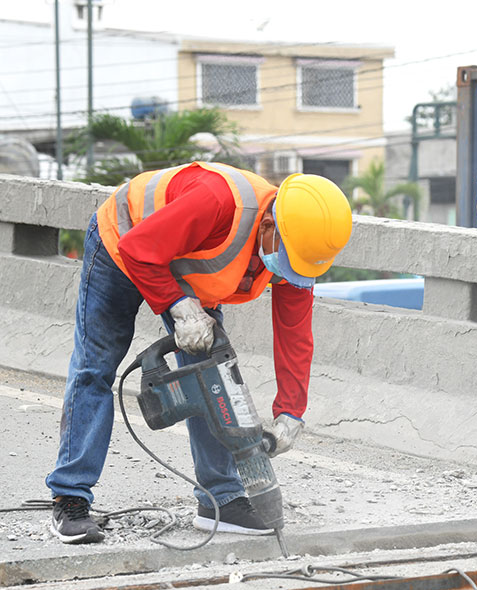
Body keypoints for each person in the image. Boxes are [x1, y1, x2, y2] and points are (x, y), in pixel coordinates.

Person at [45, 161, 352, 544]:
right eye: (290, 262)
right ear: (270, 226)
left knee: (214, 375)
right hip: (123, 245)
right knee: (96, 367)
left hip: (184, 267)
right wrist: (177, 304)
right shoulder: (219, 202)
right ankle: (70, 498)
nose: (290, 273)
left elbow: (294, 334)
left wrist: (291, 411)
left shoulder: (294, 248)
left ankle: (219, 500)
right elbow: (138, 248)